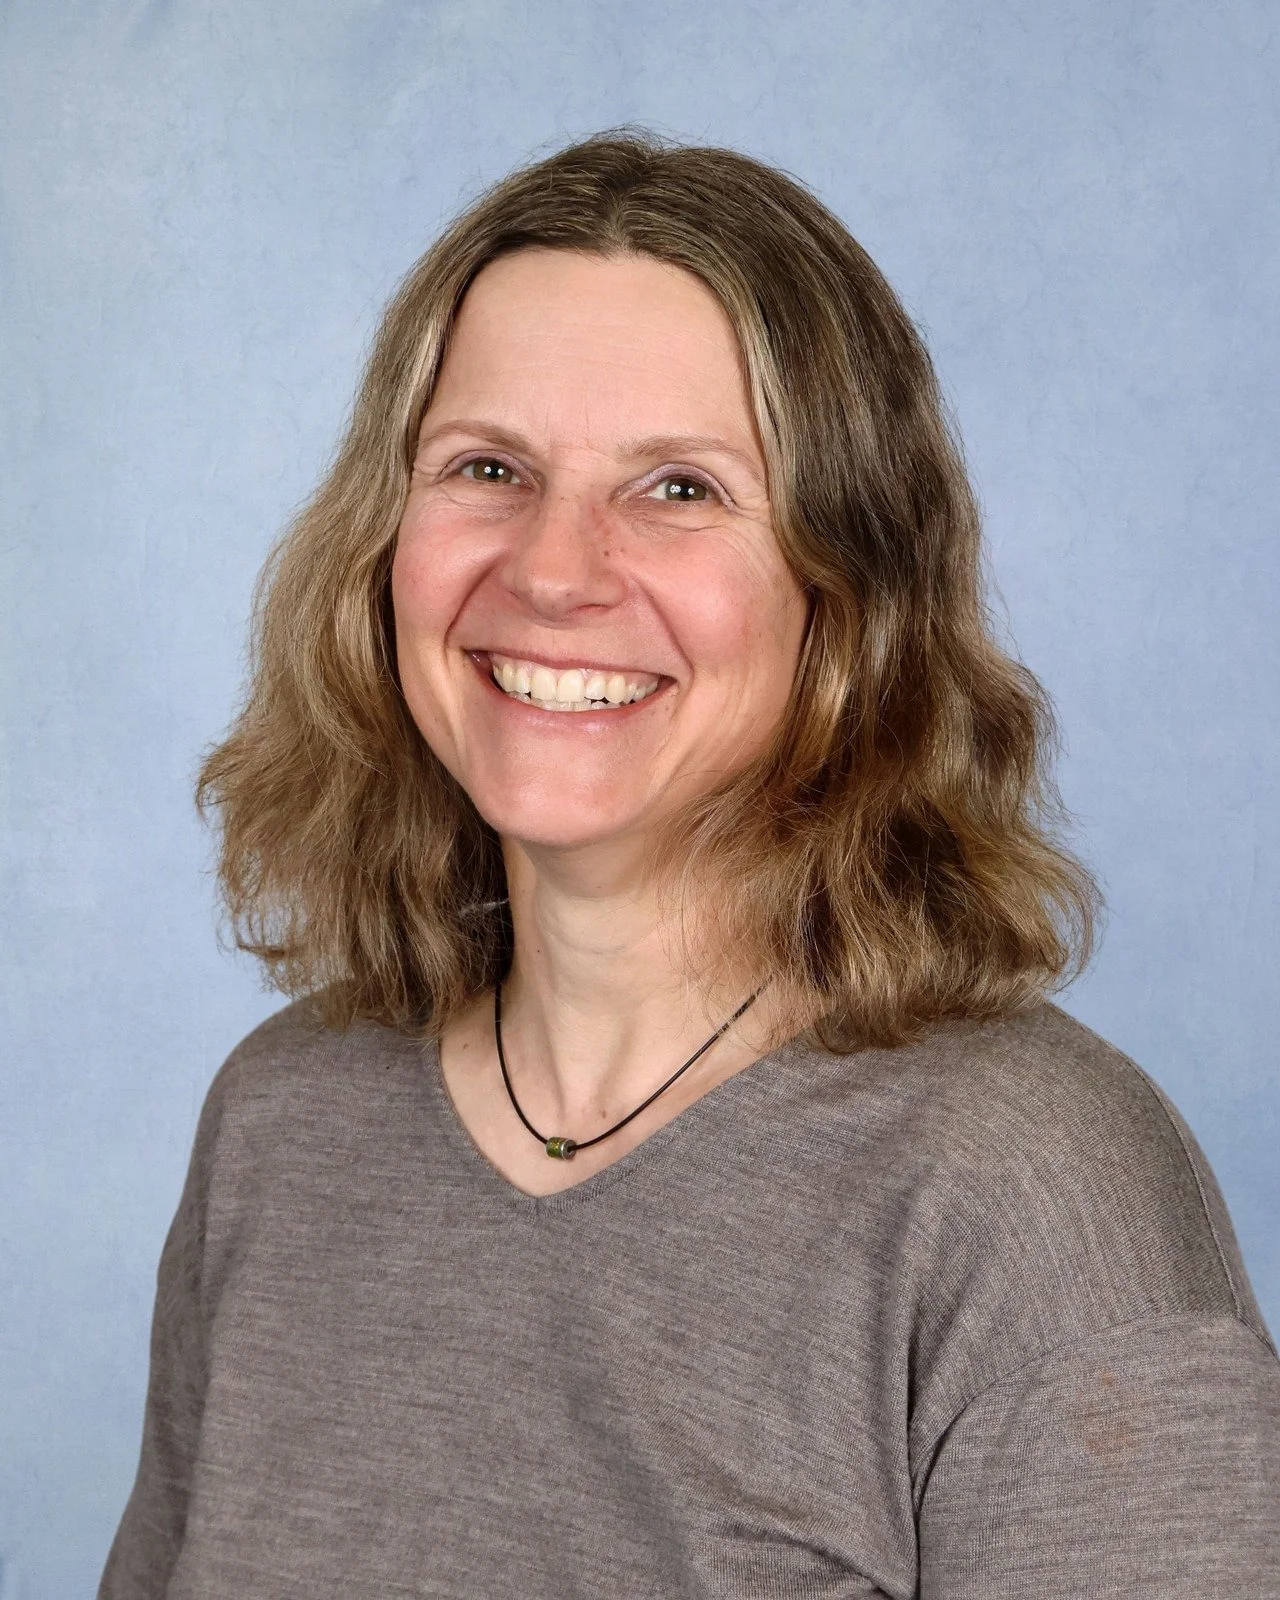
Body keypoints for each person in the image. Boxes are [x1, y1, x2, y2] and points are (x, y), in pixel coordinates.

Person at [99, 131, 1279, 1598]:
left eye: (679, 490)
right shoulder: (285, 1122)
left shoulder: (1034, 1199)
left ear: (848, 599)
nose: (551, 571)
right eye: (487, 467)